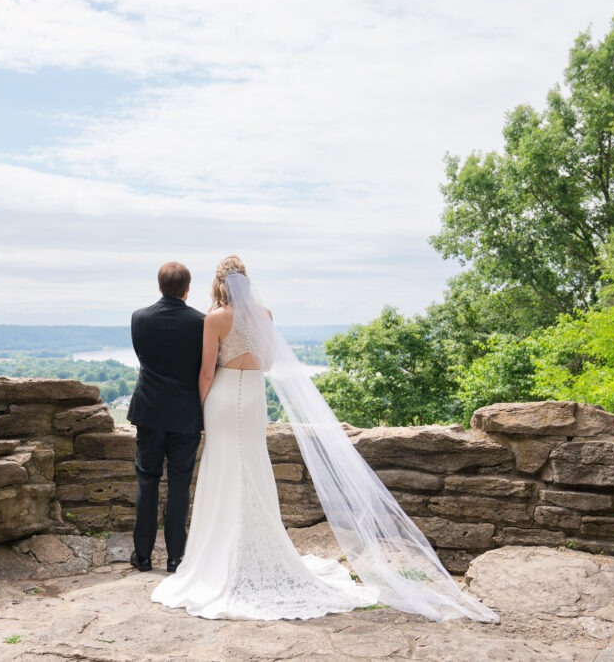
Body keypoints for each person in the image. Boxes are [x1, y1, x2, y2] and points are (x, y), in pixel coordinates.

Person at [151, 256, 498, 623]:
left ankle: (218, 555)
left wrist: (202, 406)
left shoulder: (215, 318)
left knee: (222, 469)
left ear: (217, 284)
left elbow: (207, 371)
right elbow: (268, 364)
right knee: (252, 464)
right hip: (253, 399)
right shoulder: (264, 315)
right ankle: (257, 551)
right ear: (245, 282)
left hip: (223, 399)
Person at [127, 261, 205, 574]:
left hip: (149, 410)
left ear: (159, 287)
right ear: (188, 289)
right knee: (179, 485)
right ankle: (176, 558)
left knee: (147, 481)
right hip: (185, 413)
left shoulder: (139, 318)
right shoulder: (201, 322)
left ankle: (142, 556)